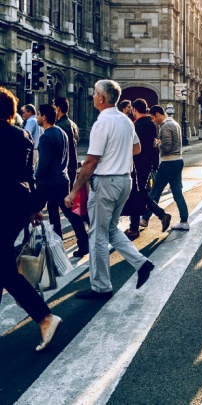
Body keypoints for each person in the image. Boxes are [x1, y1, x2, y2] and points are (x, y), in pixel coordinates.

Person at [64, 79, 155, 298]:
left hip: (106, 182)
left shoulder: (102, 123)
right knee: (111, 229)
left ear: (101, 98)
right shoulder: (125, 121)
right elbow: (137, 149)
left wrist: (74, 191)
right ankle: (141, 263)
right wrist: (117, 154)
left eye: (94, 93)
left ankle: (101, 286)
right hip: (124, 181)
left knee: (97, 235)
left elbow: (91, 162)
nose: (93, 96)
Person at [0, 87, 62, 351]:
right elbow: (29, 174)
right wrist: (34, 207)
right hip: (18, 204)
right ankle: (44, 317)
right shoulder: (23, 134)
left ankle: (45, 316)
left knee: (4, 269)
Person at [35, 104, 89, 256]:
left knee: (31, 211)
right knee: (67, 212)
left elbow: (43, 163)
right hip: (62, 179)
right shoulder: (61, 132)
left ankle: (36, 245)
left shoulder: (46, 137)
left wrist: (36, 177)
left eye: (38, 114)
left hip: (47, 182)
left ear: (44, 116)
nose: (37, 117)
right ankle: (82, 242)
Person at [140, 105, 189, 231]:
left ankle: (145, 218)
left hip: (168, 162)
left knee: (155, 191)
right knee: (177, 192)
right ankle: (184, 221)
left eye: (153, 117)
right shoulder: (174, 123)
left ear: (157, 114)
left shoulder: (166, 126)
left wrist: (157, 144)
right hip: (178, 160)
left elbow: (167, 147)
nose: (153, 120)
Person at [124, 98, 165, 240]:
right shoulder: (151, 124)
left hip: (138, 164)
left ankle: (135, 228)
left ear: (135, 110)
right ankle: (159, 216)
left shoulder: (136, 125)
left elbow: (135, 147)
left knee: (136, 194)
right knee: (139, 193)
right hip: (147, 164)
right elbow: (153, 145)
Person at [53, 97, 79, 189]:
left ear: (58, 108)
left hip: (64, 168)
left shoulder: (60, 126)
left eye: (54, 106)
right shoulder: (72, 124)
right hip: (72, 165)